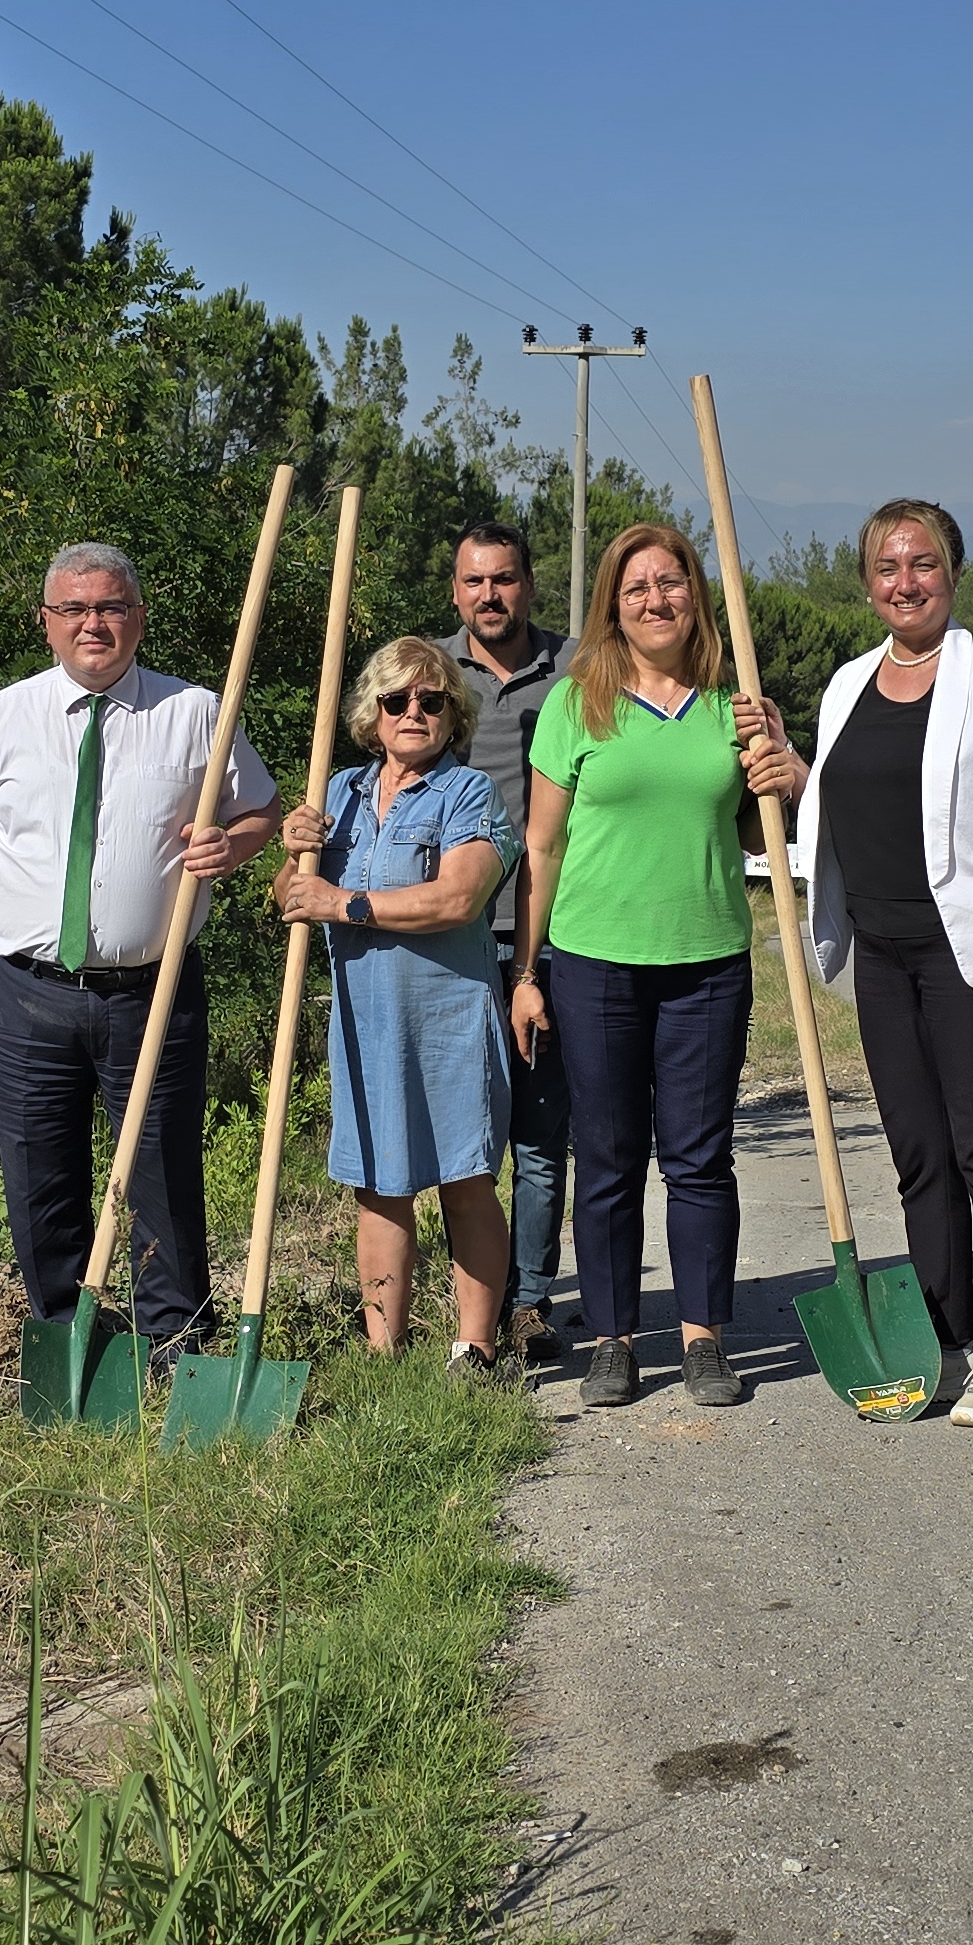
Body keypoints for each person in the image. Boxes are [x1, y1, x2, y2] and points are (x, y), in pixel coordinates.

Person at [0, 545, 275, 1361]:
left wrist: (232, 845)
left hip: (152, 991)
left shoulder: (196, 713)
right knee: (39, 1175)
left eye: (112, 607)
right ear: (46, 623)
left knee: (160, 1174)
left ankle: (173, 1344)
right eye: (75, 609)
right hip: (26, 991)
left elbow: (259, 810)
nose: (95, 623)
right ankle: (64, 1337)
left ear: (139, 618)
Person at [509, 521, 804, 1411]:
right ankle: (612, 1339)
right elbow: (544, 845)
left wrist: (782, 770)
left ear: (694, 595)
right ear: (613, 605)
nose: (655, 600)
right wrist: (528, 971)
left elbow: (757, 836)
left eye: (670, 582)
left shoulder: (735, 706)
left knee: (701, 1158)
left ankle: (705, 1338)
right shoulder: (577, 705)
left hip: (708, 961)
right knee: (605, 1157)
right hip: (595, 964)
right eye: (636, 587)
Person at [791, 500, 973, 1426]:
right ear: (868, 584)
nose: (906, 583)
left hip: (969, 952)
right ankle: (943, 1340)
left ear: (953, 570)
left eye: (923, 564)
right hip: (881, 950)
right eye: (887, 568)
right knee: (917, 1156)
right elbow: (829, 797)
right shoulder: (847, 683)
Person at [274, 636, 520, 1372]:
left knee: (465, 1182)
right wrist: (291, 858)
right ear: (371, 713)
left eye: (431, 700)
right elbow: (288, 900)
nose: (413, 712)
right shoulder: (337, 793)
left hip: (448, 1020)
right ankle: (385, 1352)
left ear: (452, 714)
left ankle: (473, 1350)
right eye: (397, 700)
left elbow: (458, 896)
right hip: (365, 1021)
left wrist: (342, 902)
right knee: (379, 1187)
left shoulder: (467, 794)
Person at [440, 520, 576, 1368]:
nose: (490, 595)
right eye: (473, 581)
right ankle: (474, 1311)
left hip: (552, 936)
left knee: (538, 1136)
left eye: (505, 579)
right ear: (455, 590)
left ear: (529, 583)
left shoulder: (578, 668)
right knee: (466, 1142)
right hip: (449, 938)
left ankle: (530, 1303)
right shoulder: (425, 675)